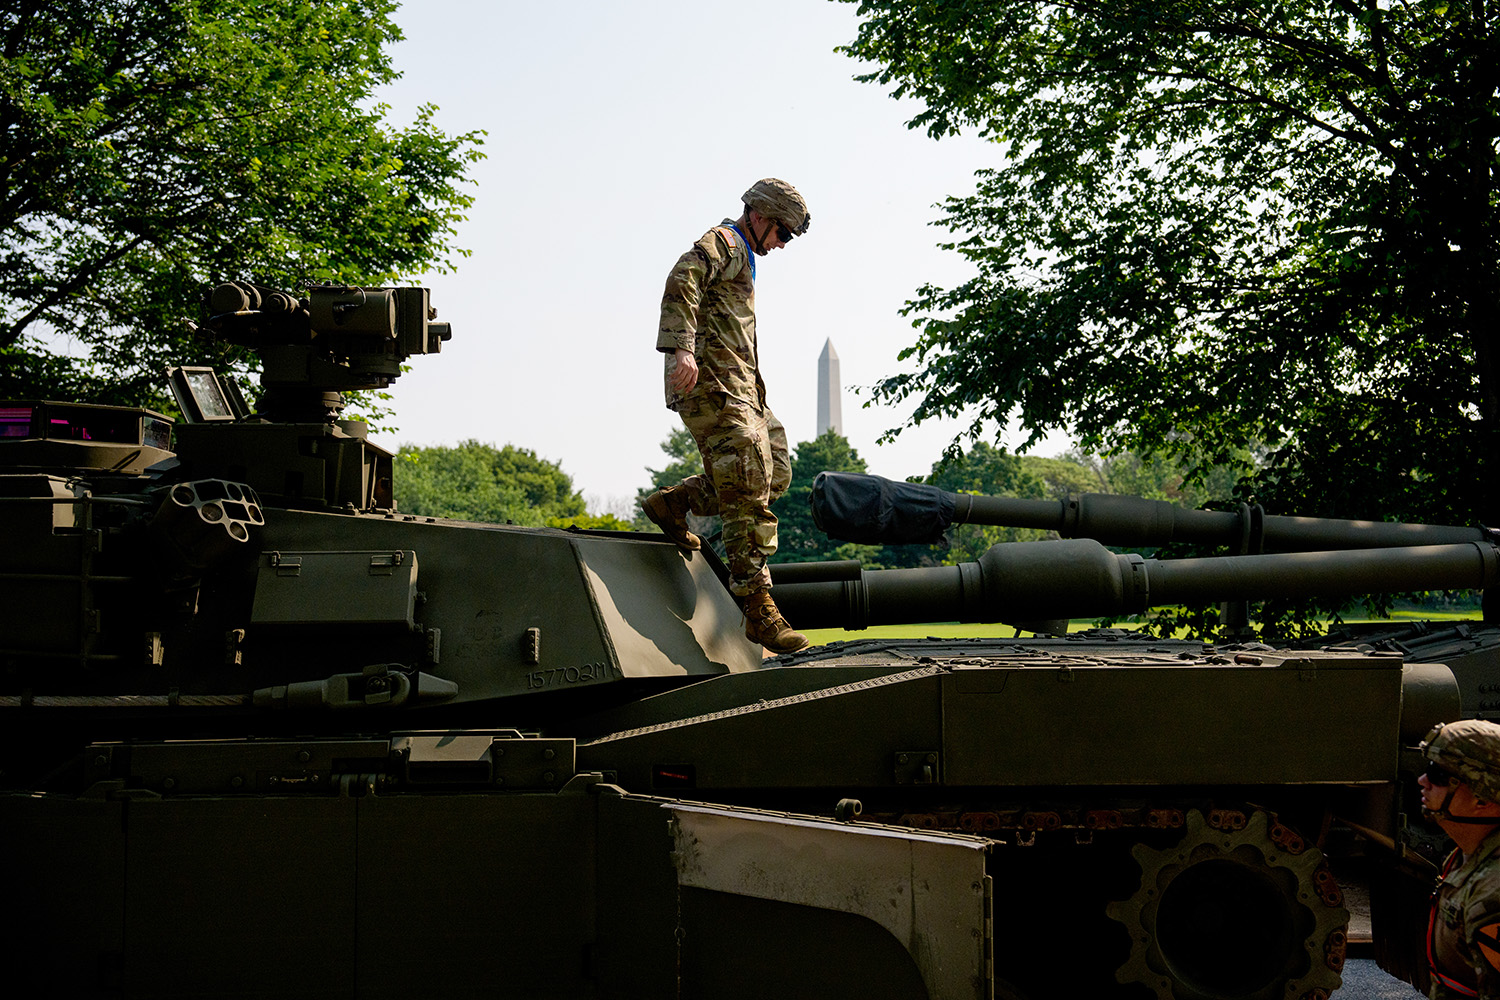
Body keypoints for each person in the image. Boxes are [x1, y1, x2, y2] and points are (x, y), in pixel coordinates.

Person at [643, 178, 811, 654]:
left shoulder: (746, 253)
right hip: (711, 386)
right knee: (748, 472)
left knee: (774, 469)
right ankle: (757, 607)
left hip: (742, 389)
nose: (782, 244)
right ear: (760, 216)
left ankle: (677, 503)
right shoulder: (728, 242)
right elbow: (684, 274)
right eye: (783, 233)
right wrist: (679, 348)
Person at [1419, 719, 1500, 998]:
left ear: (1482, 799)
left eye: (1438, 775)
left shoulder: (1493, 893)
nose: (1422, 781)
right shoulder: (1467, 853)